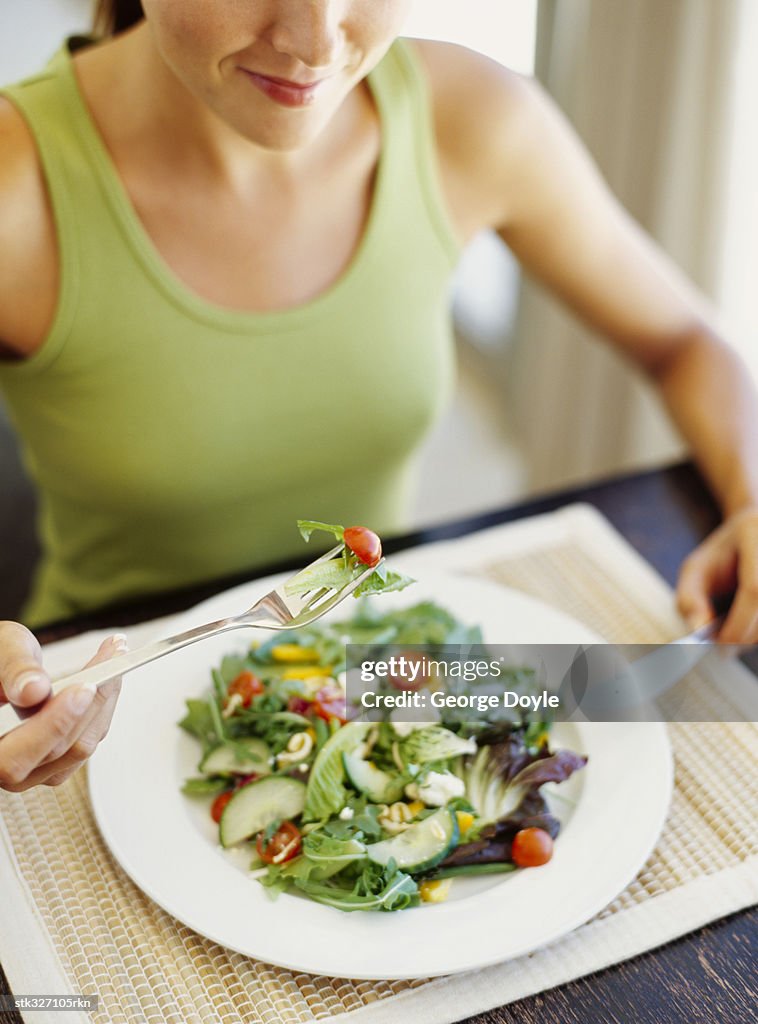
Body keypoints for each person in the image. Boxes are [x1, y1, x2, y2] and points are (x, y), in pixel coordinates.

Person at [0, 0, 756, 792]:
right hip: (98, 706)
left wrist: (750, 496)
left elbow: (688, 341)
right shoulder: (19, 178)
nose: (317, 40)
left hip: (379, 680)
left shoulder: (467, 115)